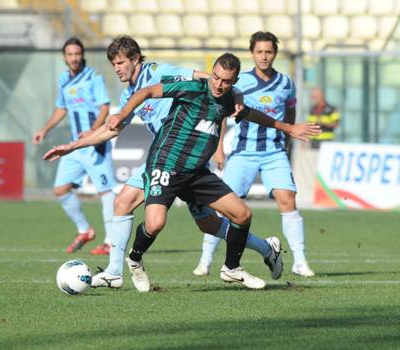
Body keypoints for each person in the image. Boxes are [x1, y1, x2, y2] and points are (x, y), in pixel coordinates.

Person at [45, 52, 320, 291]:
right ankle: (131, 261)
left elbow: (248, 113)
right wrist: (81, 140)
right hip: (165, 163)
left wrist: (288, 128)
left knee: (237, 216)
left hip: (197, 172)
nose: (218, 84)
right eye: (216, 78)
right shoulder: (189, 86)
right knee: (152, 222)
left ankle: (234, 267)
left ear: (234, 82)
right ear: (211, 73)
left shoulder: (225, 97)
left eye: (226, 82)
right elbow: (146, 93)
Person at [193, 32, 316, 278]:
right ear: (252, 53)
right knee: (223, 207)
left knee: (287, 199)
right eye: (259, 52)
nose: (264, 56)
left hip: (273, 151)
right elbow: (223, 113)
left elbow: (289, 112)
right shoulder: (239, 83)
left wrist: (288, 137)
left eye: (268, 52)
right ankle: (205, 260)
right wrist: (219, 148)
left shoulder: (286, 83)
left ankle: (300, 261)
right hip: (243, 153)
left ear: (275, 54)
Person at [32, 37, 116, 255]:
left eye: (77, 53)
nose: (74, 58)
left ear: (82, 55)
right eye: (70, 54)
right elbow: (61, 109)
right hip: (74, 146)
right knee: (60, 189)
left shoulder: (93, 77)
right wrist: (45, 130)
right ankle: (85, 230)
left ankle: (110, 242)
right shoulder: (64, 80)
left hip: (95, 143)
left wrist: (93, 130)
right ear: (64, 57)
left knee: (106, 191)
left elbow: (104, 108)